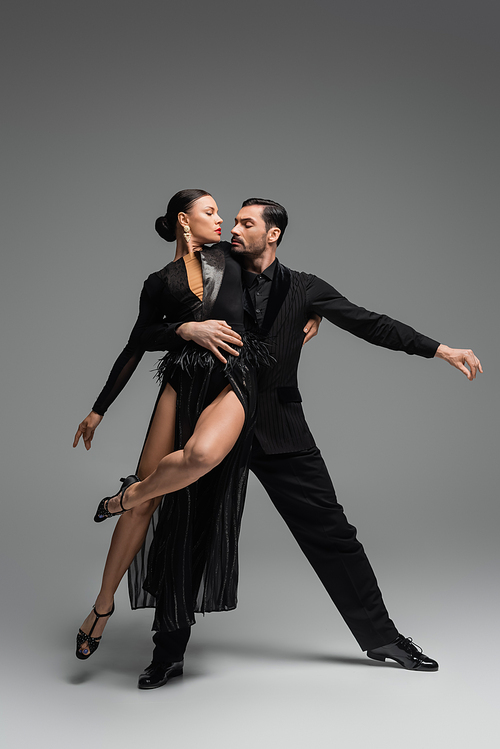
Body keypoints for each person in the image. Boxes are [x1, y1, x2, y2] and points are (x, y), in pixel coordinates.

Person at [144, 198, 482, 689]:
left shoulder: (305, 288)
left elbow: (371, 322)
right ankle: (167, 654)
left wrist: (439, 349)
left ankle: (383, 638)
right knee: (187, 535)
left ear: (274, 234)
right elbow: (158, 315)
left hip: (280, 428)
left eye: (246, 223)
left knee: (334, 535)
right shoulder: (213, 269)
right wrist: (184, 327)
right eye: (232, 220)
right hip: (214, 426)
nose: (233, 229)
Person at [73, 190, 290, 661]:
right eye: (210, 212)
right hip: (182, 379)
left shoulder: (231, 255)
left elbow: (281, 279)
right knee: (143, 508)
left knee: (155, 484)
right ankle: (103, 605)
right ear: (183, 220)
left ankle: (123, 495)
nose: (222, 220)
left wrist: (313, 313)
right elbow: (137, 343)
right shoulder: (159, 282)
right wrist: (99, 409)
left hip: (230, 374)